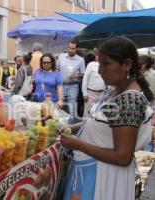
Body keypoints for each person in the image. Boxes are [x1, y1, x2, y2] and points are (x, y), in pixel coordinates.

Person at [61, 36, 153, 200]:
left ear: (127, 65)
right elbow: (101, 121)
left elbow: (123, 156)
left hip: (105, 178)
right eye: (99, 63)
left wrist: (79, 145)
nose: (100, 70)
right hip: (93, 171)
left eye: (106, 64)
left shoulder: (129, 101)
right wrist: (73, 128)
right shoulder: (114, 90)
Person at [57, 39, 85, 123]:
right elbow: (57, 69)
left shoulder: (80, 60)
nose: (70, 50)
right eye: (69, 48)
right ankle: (60, 126)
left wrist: (77, 75)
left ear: (77, 49)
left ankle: (71, 128)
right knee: (60, 106)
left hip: (73, 86)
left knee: (72, 107)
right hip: (61, 86)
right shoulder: (61, 56)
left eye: (73, 48)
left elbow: (83, 74)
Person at [82, 53, 106, 117]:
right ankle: (84, 127)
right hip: (90, 94)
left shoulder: (106, 66)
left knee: (98, 114)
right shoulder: (91, 65)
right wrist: (85, 94)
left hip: (102, 94)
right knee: (87, 114)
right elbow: (85, 79)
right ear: (96, 57)